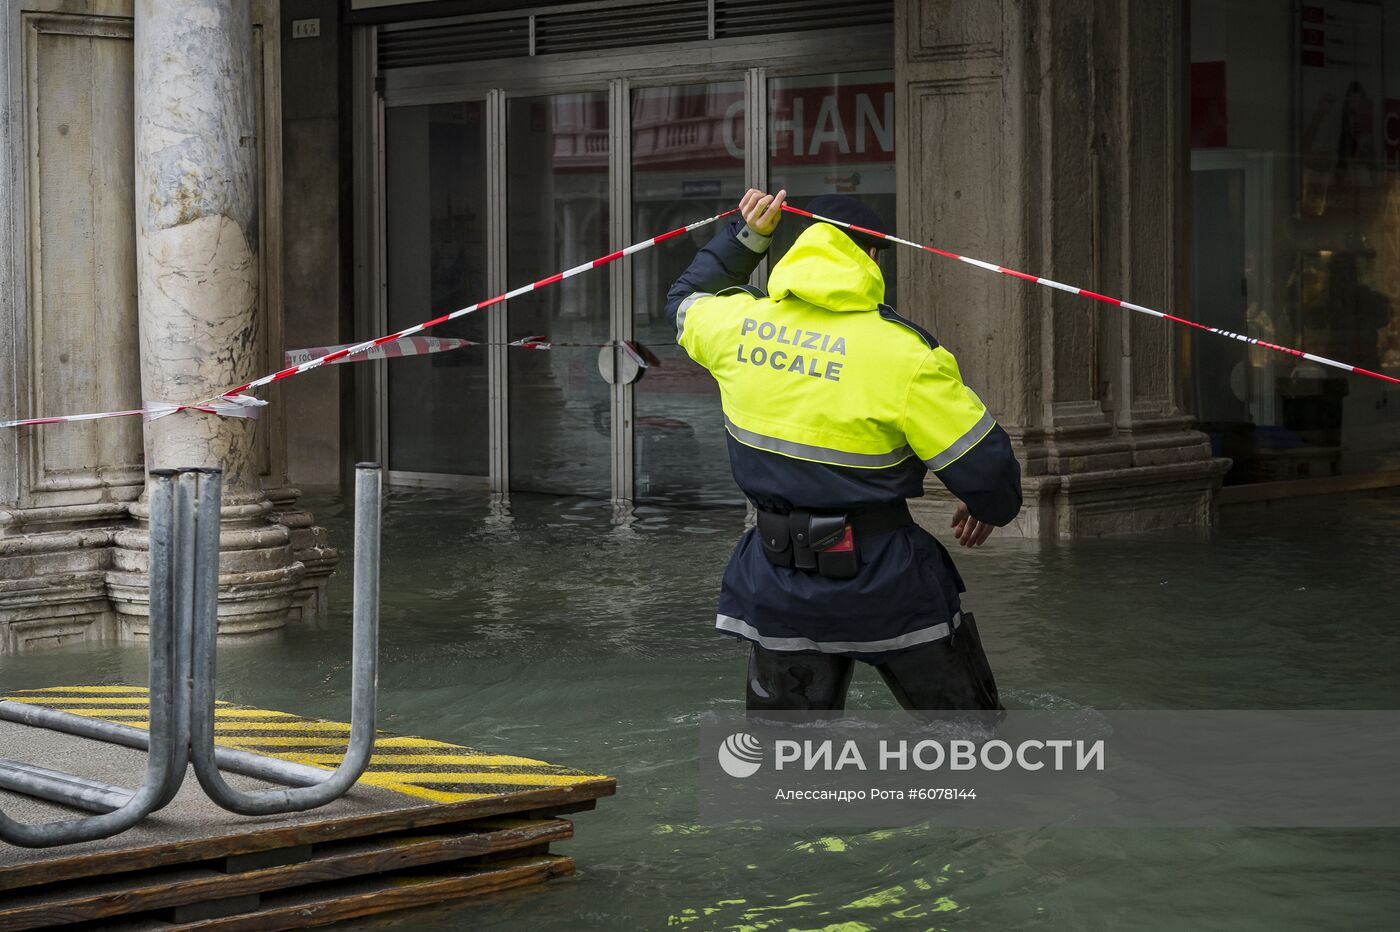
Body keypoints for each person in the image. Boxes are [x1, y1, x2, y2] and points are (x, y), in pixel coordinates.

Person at [665, 189, 1022, 713]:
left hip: (775, 582)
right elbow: (988, 470)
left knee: (782, 760)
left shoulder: (734, 326)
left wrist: (748, 236)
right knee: (967, 743)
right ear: (871, 259)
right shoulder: (905, 353)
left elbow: (684, 298)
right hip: (888, 583)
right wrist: (988, 506)